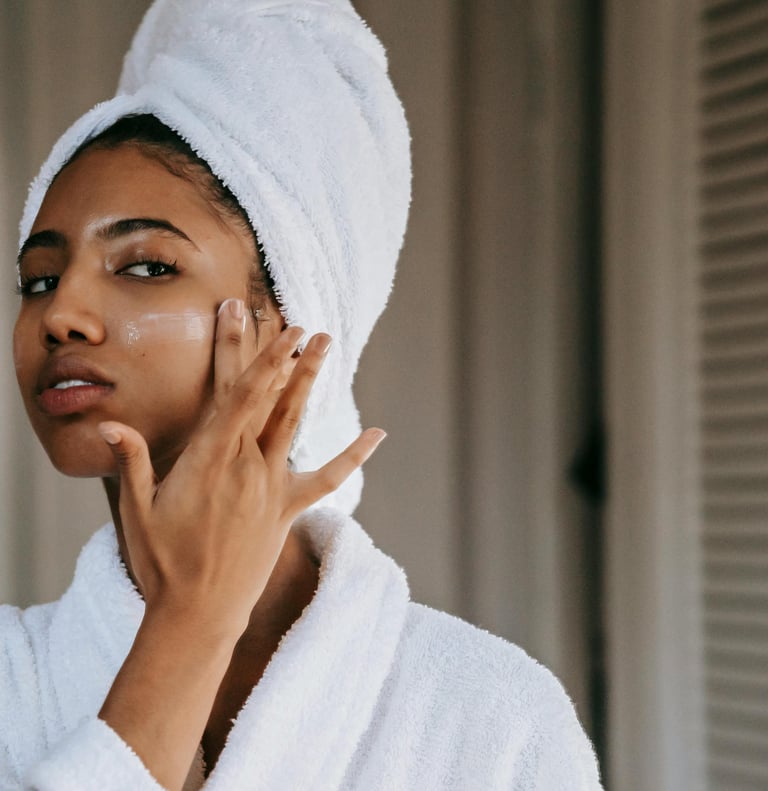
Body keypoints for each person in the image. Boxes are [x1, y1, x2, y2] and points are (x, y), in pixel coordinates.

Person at [0, 1, 603, 789]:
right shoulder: (15, 683)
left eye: (145, 265)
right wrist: (190, 625)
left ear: (284, 326)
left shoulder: (492, 718)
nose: (60, 315)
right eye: (38, 279)